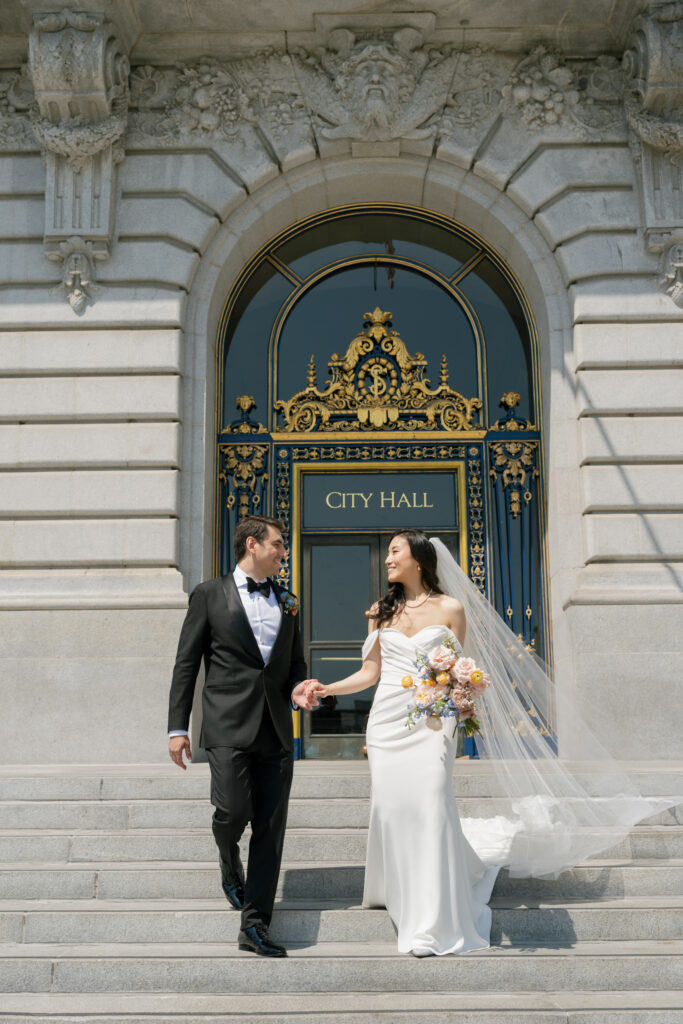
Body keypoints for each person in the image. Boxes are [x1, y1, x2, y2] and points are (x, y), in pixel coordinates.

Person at [306, 529, 679, 957]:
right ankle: (398, 889)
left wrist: (459, 700)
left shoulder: (451, 608)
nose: (387, 559)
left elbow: (461, 670)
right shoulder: (379, 611)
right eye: (388, 553)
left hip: (433, 723)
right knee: (392, 809)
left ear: (419, 559)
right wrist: (328, 688)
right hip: (387, 722)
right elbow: (370, 673)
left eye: (395, 551)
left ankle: (433, 918)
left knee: (431, 802)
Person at [167, 515, 319, 958]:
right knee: (232, 812)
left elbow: (294, 663)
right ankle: (229, 859)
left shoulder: (288, 600)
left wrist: (299, 688)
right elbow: (186, 664)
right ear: (252, 545)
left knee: (270, 829)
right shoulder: (208, 594)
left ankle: (254, 925)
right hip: (227, 724)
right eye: (278, 544)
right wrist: (177, 728)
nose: (284, 552)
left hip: (276, 728)